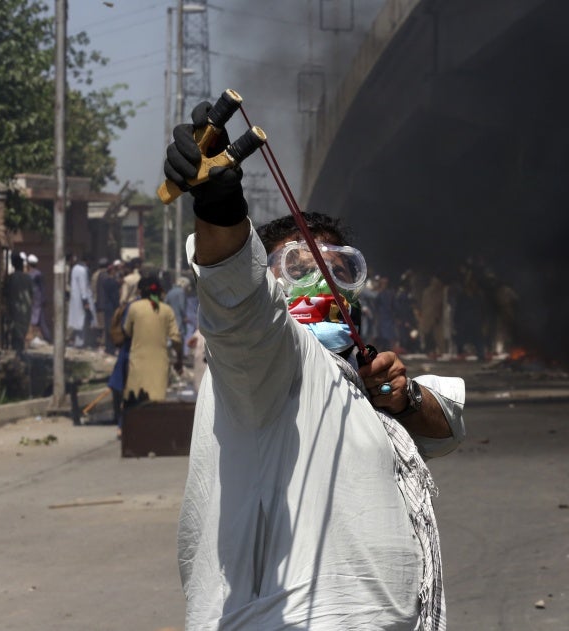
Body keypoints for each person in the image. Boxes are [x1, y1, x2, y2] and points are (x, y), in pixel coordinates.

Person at [164, 101, 466, 630]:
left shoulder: (353, 375)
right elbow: (238, 305)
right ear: (272, 283)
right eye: (296, 268)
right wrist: (220, 209)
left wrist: (402, 396)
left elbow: (448, 428)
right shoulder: (271, 358)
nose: (319, 283)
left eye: (335, 269)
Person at [122, 274, 183, 404]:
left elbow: (127, 332)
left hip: (137, 361)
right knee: (156, 403)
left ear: (140, 291)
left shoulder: (134, 308)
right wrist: (179, 359)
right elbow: (176, 339)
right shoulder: (167, 310)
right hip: (159, 364)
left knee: (135, 402)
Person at [66, 254, 98, 349]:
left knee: (78, 321)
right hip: (83, 299)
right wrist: (85, 301)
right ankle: (81, 343)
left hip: (76, 298)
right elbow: (83, 287)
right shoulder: (83, 270)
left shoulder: (75, 268)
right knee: (83, 321)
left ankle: (78, 342)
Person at [6, 252, 34, 353]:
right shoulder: (27, 278)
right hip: (25, 309)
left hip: (14, 308)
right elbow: (32, 293)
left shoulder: (10, 278)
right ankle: (19, 351)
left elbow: (6, 293)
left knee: (15, 330)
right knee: (22, 330)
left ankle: (17, 350)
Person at [26, 254, 51, 344]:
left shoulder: (36, 274)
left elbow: (41, 287)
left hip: (36, 300)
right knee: (39, 319)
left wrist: (43, 298)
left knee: (37, 319)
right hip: (35, 299)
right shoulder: (34, 274)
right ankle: (45, 337)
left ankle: (45, 337)